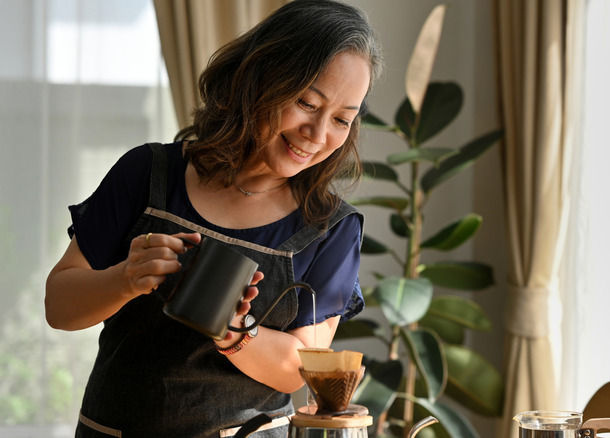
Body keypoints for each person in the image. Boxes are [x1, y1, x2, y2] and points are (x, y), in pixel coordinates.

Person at [44, 0, 383, 436]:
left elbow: (299, 368)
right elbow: (59, 305)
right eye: (306, 102)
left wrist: (234, 328)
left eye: (341, 119)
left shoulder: (329, 228)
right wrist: (126, 279)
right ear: (261, 78)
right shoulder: (148, 175)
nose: (317, 136)